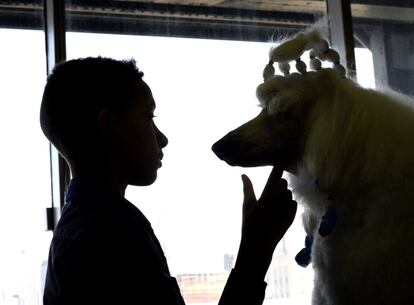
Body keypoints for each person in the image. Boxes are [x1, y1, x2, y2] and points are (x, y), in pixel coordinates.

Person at [40, 57, 297, 305]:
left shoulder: (76, 229)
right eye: (149, 117)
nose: (162, 139)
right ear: (111, 126)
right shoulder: (112, 234)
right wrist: (256, 248)